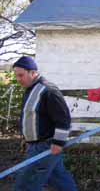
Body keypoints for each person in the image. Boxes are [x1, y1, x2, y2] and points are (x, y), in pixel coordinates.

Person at [13, 56, 77, 191]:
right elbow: (32, 117)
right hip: (36, 145)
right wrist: (27, 139)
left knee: (27, 183)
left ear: (33, 72)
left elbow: (63, 119)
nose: (18, 79)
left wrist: (58, 143)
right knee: (58, 178)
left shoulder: (48, 91)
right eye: (16, 76)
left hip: (45, 146)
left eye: (21, 75)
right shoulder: (30, 89)